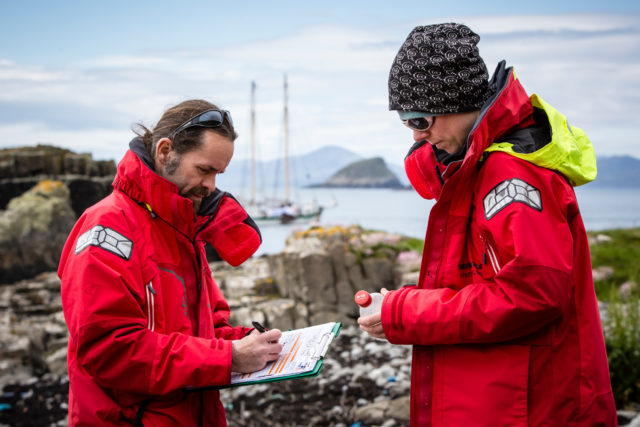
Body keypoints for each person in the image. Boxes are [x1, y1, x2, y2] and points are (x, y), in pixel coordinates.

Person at [358, 23, 617, 426]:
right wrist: (400, 305)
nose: (414, 135)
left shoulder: (511, 177)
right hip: (501, 400)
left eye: (420, 119)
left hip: (536, 408)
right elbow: (476, 285)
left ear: (459, 102)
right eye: (406, 121)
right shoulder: (472, 168)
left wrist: (407, 311)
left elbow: (532, 295)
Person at [58, 99, 283, 426]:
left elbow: (205, 329)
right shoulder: (106, 230)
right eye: (205, 170)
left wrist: (253, 342)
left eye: (218, 174)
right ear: (165, 151)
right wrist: (229, 358)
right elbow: (109, 350)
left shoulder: (182, 229)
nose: (211, 186)